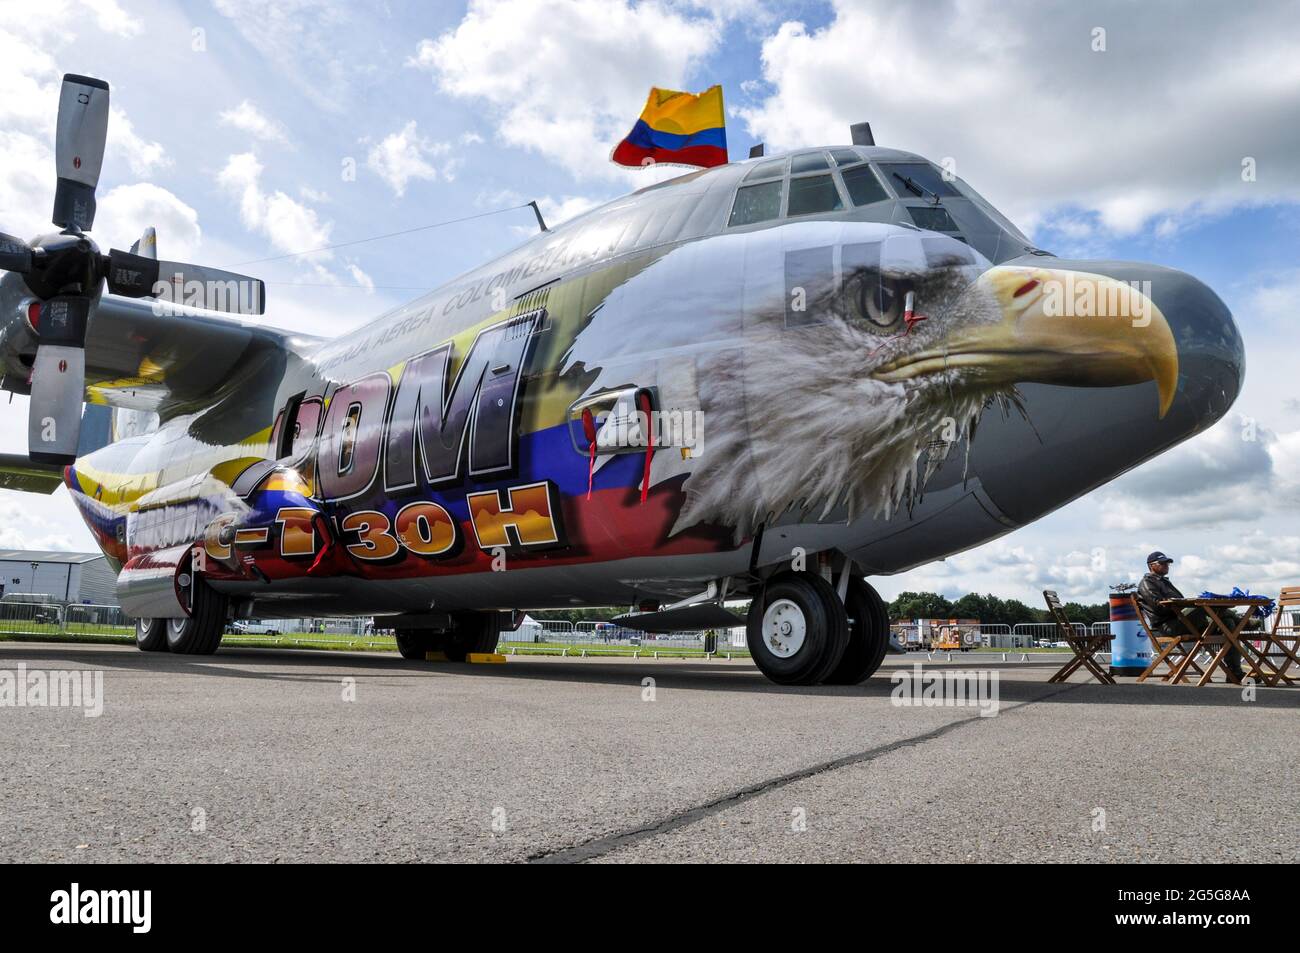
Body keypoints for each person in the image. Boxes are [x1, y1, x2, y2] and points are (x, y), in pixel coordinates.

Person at [1136, 551, 1243, 680]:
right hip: (1170, 625)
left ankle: (1234, 673)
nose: (1166, 566)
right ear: (1151, 565)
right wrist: (1180, 605)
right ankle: (1244, 622)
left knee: (1228, 625)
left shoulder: (1164, 582)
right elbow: (1159, 607)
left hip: (1183, 621)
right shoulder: (1147, 583)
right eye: (1162, 563)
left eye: (1167, 563)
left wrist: (1182, 605)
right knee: (1203, 607)